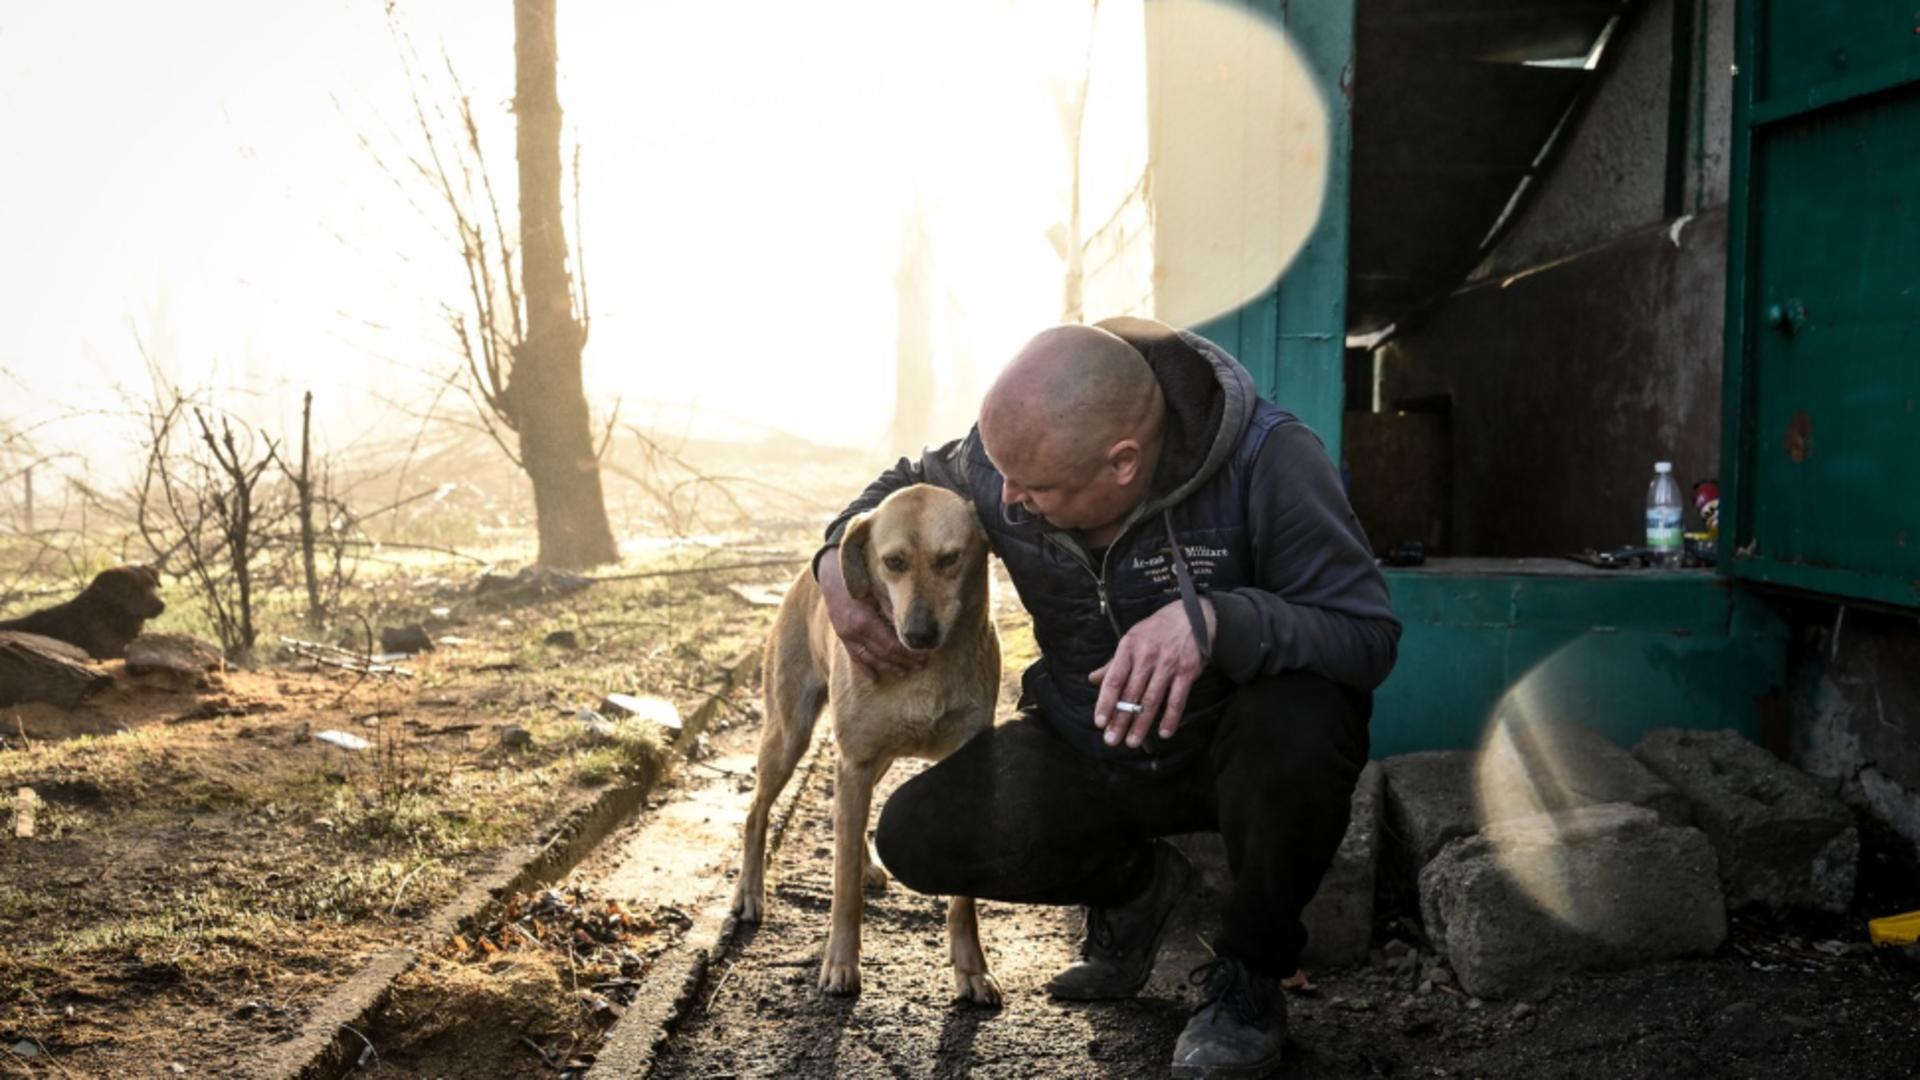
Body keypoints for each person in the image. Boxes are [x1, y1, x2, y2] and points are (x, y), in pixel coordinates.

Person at [813, 317, 1400, 1078]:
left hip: (1235, 748)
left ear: (1122, 463)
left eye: (1035, 489)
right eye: (1000, 476)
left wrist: (1216, 621)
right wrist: (833, 557)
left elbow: (1366, 634)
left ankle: (1249, 979)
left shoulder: (1270, 460)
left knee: (1307, 721)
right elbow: (902, 487)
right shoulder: (1007, 465)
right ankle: (1139, 891)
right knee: (922, 834)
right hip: (1096, 737)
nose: (1007, 501)